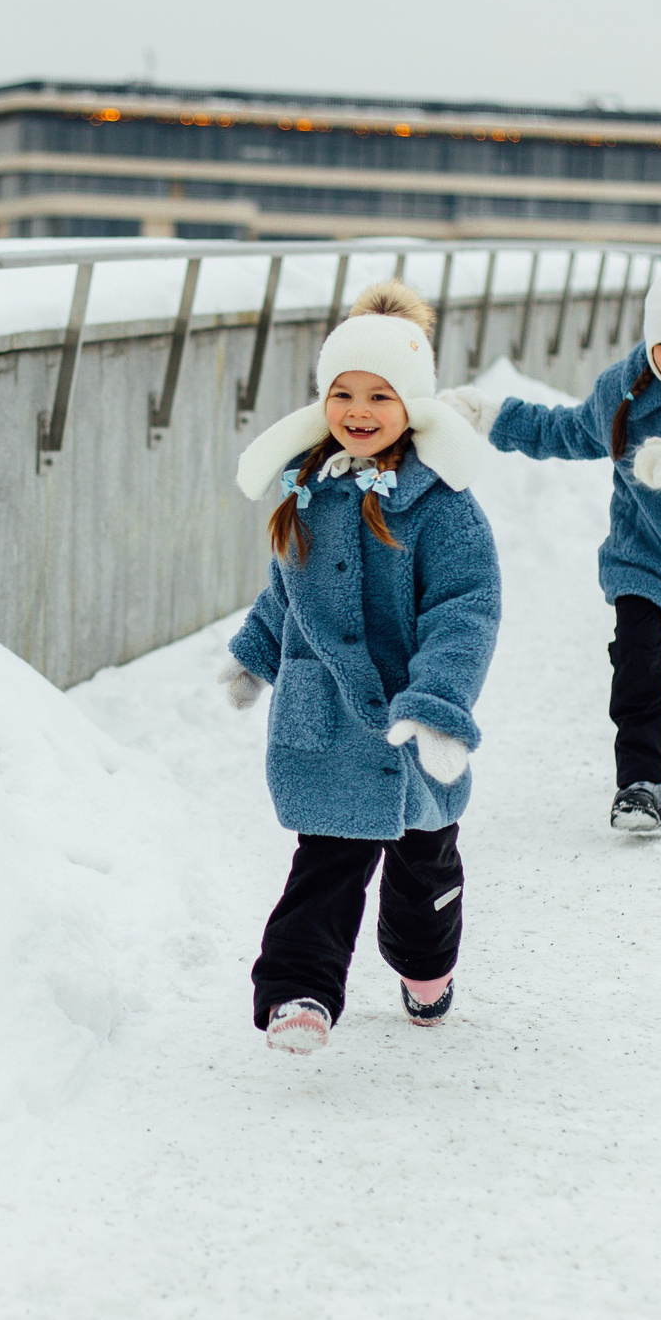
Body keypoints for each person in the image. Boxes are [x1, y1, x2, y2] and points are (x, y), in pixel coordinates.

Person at [217, 282, 501, 1055]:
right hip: (332, 720)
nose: (359, 409)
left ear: (413, 403)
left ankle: (424, 968)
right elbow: (289, 589)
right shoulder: (308, 490)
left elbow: (465, 608)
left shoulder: (444, 506)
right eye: (343, 392)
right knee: (326, 864)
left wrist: (440, 702)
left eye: (380, 394)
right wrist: (255, 652)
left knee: (423, 873)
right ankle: (299, 993)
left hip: (410, 726)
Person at [442, 235, 661, 835]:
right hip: (642, 558)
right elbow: (565, 431)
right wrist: (492, 417)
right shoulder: (626, 394)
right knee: (638, 662)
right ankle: (640, 787)